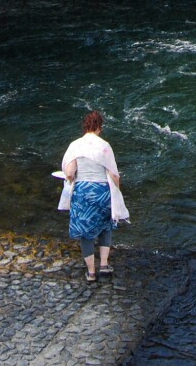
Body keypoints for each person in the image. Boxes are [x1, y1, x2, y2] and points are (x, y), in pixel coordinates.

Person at [62, 110, 121, 282]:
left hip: (83, 192)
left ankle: (91, 272)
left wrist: (71, 179)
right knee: (105, 227)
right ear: (99, 128)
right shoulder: (104, 146)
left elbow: (69, 172)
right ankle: (104, 265)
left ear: (85, 127)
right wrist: (117, 193)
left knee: (85, 232)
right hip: (102, 191)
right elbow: (114, 174)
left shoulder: (75, 145)